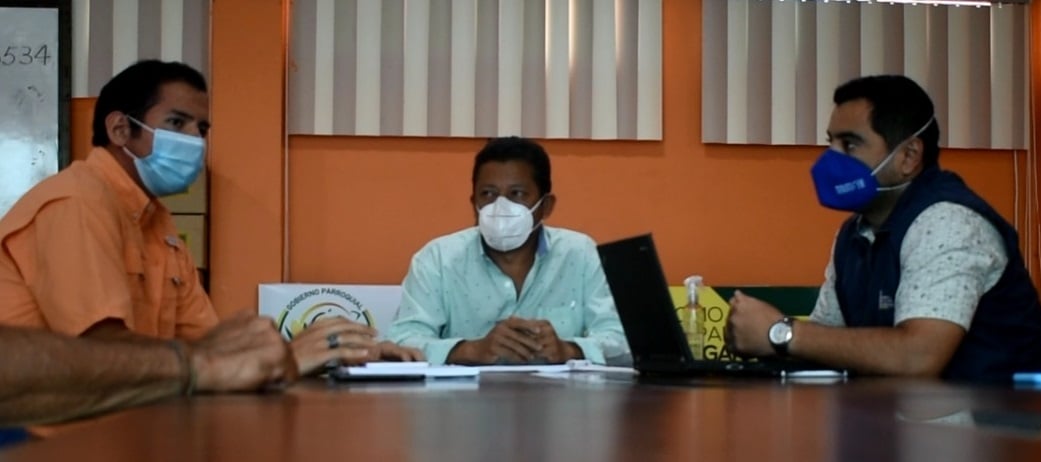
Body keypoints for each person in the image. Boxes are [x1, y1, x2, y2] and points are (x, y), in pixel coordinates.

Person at [0, 60, 420, 376]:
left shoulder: (158, 225)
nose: (194, 140)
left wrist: (335, 351)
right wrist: (283, 358)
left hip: (128, 420)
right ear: (120, 129)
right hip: (42, 436)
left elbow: (209, 345)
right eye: (176, 122)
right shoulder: (76, 203)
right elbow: (101, 357)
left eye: (201, 129)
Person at [726, 75, 1041, 382]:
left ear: (908, 156)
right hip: (915, 416)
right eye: (830, 143)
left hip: (1003, 418)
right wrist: (759, 338)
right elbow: (826, 342)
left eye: (849, 145)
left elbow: (918, 357)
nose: (830, 159)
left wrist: (780, 333)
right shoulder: (855, 233)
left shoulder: (949, 221)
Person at [386, 136, 628, 365]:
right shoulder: (437, 259)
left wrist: (570, 349)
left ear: (545, 206)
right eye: (488, 194)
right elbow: (402, 340)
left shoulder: (582, 254)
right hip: (466, 395)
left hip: (561, 395)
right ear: (474, 204)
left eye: (517, 194)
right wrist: (471, 350)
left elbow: (622, 338)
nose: (500, 206)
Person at [0, 312, 295, 427]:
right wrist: (197, 363)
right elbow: (101, 338)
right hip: (68, 441)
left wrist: (268, 356)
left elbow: (216, 340)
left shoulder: (161, 226)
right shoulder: (77, 206)